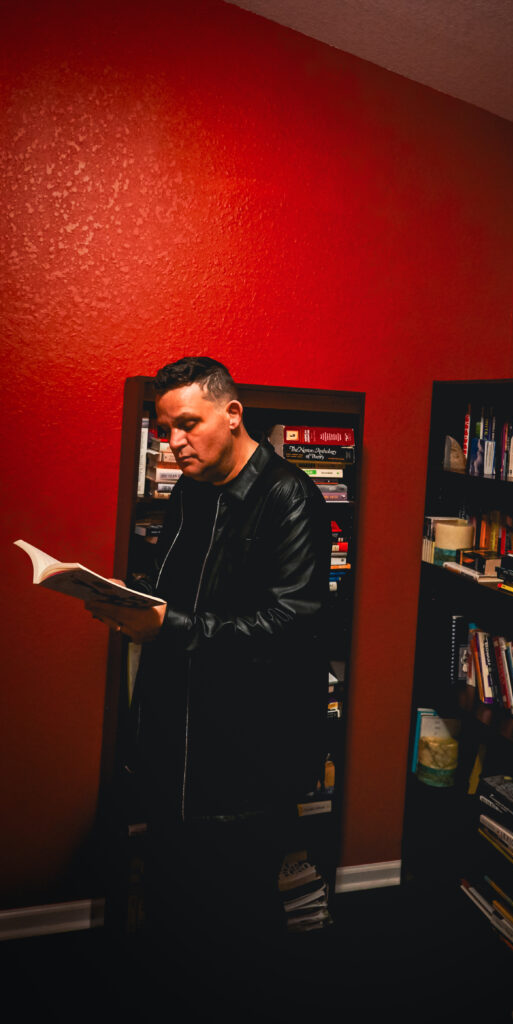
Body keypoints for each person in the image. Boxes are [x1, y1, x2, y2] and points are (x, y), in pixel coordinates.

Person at [87, 357, 332, 1000]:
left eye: (188, 424)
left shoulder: (291, 496)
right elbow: (173, 590)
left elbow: (290, 626)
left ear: (233, 413)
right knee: (176, 904)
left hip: (247, 751)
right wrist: (125, 599)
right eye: (166, 429)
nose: (175, 442)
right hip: (176, 737)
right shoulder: (189, 490)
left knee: (238, 917)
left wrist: (167, 625)